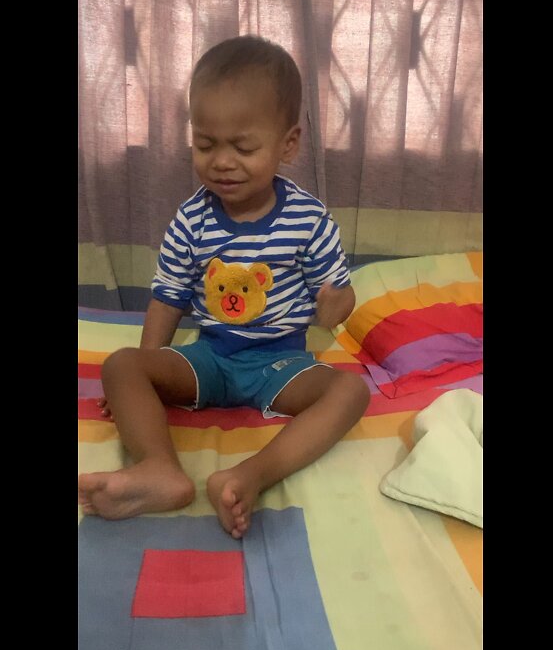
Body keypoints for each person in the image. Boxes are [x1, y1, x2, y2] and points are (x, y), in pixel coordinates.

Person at [78, 35, 370, 539]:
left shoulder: (308, 218)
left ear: (288, 144)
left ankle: (249, 476)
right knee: (122, 364)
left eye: (243, 147)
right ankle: (158, 469)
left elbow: (339, 294)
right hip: (209, 359)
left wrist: (336, 305)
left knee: (350, 390)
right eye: (205, 144)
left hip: (280, 365)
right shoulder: (191, 219)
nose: (222, 161)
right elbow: (168, 297)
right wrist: (149, 376)